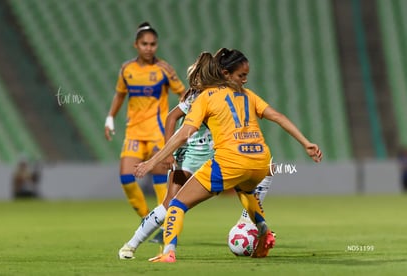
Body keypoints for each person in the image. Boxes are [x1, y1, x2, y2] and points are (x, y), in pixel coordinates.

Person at [134, 48, 323, 263]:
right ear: (226, 74)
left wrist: (152, 162)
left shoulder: (205, 98)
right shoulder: (249, 96)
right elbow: (277, 116)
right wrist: (306, 143)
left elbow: (184, 134)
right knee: (247, 194)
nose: (245, 79)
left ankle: (168, 252)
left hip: (230, 162)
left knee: (177, 204)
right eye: (242, 75)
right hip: (260, 162)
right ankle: (264, 232)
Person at [118, 50, 274, 259]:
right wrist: (166, 153)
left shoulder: (229, 92)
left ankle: (252, 224)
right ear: (223, 73)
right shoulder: (196, 95)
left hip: (217, 155)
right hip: (189, 155)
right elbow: (172, 118)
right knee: (169, 205)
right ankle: (132, 244)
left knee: (255, 178)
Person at [104, 22, 185, 219]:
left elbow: (183, 94)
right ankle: (146, 220)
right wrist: (110, 118)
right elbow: (120, 95)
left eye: (153, 44)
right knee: (126, 179)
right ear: (136, 45)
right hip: (134, 132)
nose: (149, 48)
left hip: (157, 133)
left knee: (160, 183)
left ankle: (161, 225)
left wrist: (185, 121)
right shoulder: (127, 69)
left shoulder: (164, 69)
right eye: (144, 44)